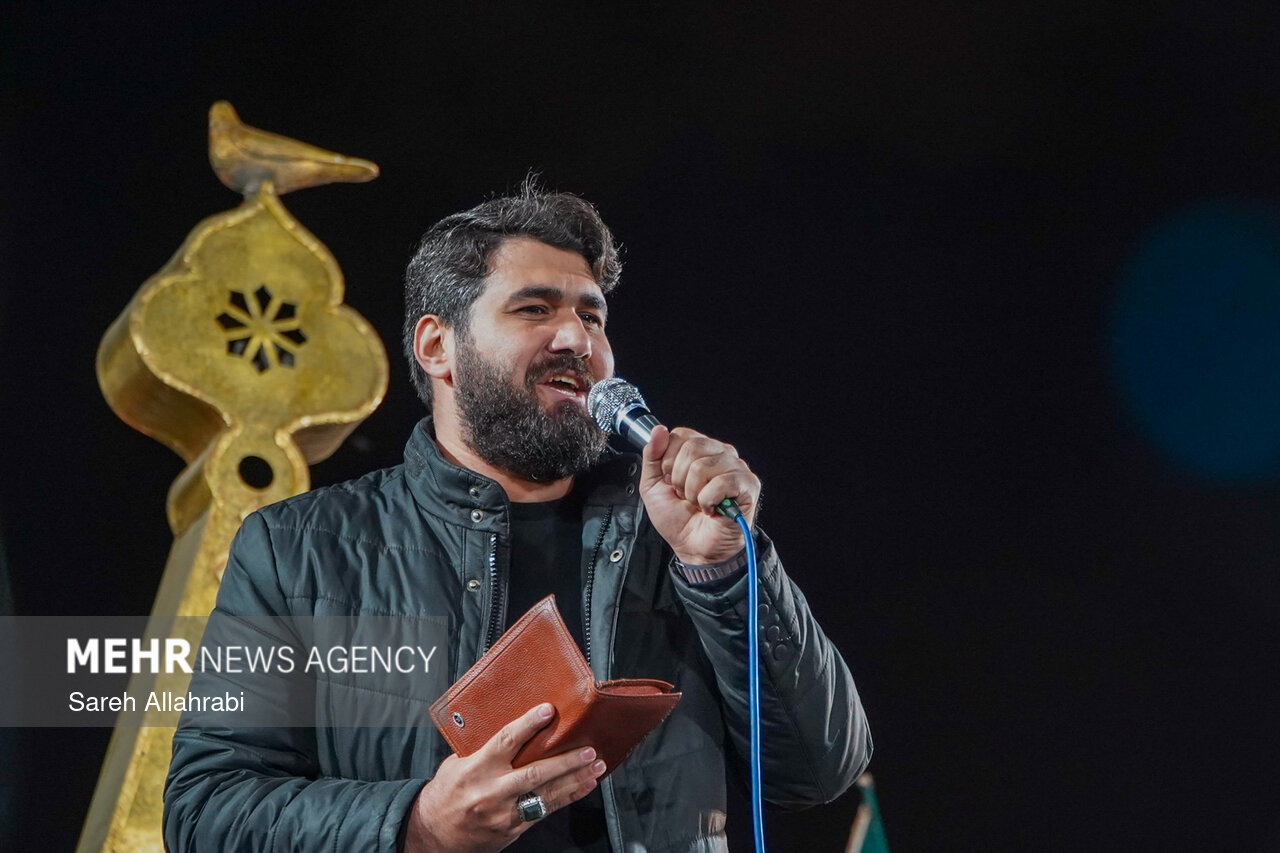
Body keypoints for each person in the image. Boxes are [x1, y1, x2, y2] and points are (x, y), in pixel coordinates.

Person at [163, 182, 872, 853]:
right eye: (534, 309)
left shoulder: (677, 539)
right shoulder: (294, 549)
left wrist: (725, 571)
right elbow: (205, 810)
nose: (577, 340)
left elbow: (819, 769)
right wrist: (418, 825)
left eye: (591, 316)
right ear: (437, 346)